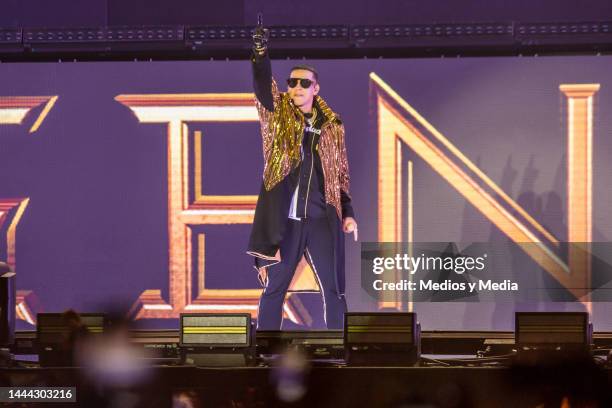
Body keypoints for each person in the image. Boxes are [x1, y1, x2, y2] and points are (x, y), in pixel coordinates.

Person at [247, 24, 358, 330]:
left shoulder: (333, 125)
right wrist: (260, 53)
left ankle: (340, 347)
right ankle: (266, 349)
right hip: (289, 221)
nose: (296, 87)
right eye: (292, 82)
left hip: (323, 219)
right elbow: (262, 87)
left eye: (303, 83)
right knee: (274, 288)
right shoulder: (278, 114)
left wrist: (347, 213)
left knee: (334, 290)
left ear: (315, 88)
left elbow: (340, 174)